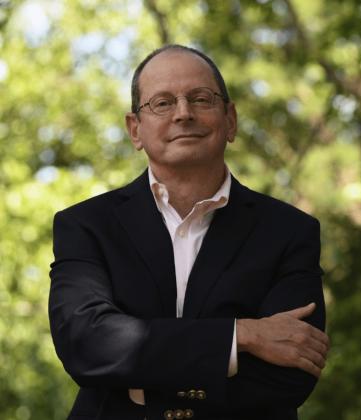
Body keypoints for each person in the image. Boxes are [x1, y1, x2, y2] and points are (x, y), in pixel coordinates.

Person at [49, 44, 329, 420]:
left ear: (230, 119)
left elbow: (291, 375)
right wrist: (242, 336)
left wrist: (139, 379)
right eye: (162, 103)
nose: (183, 113)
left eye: (201, 98)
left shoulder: (291, 231)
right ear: (135, 130)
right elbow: (87, 345)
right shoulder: (86, 226)